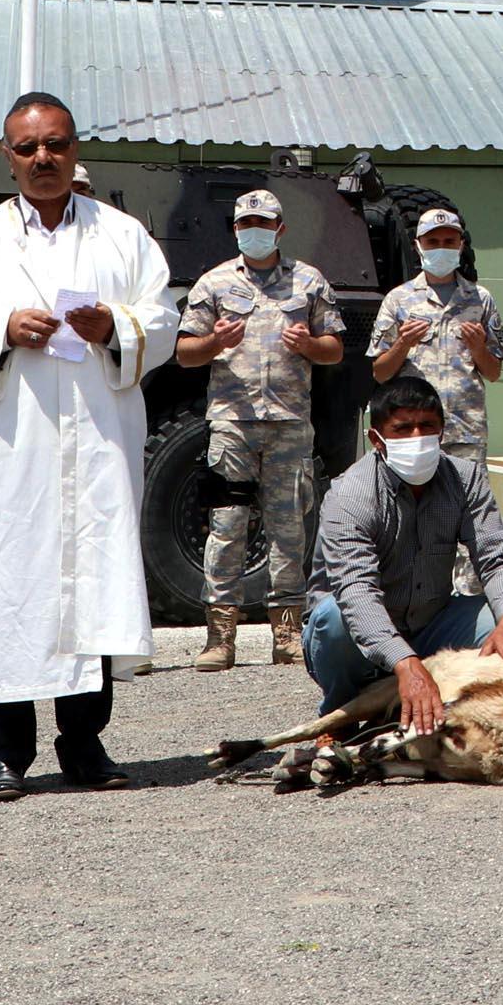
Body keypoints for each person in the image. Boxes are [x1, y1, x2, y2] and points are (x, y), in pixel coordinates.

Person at [0, 93, 177, 801]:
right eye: (28, 148)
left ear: (74, 150)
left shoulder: (122, 237)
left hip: (93, 446)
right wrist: (0, 328)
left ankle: (84, 744)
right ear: (8, 157)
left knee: (90, 582)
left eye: (55, 145)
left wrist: (113, 326)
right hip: (10, 455)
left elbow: (163, 319)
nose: (42, 159)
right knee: (11, 586)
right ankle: (5, 751)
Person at [176, 187, 345, 670]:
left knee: (288, 529)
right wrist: (214, 340)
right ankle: (220, 638)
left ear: (280, 229)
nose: (255, 232)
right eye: (246, 225)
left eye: (263, 224)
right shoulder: (213, 284)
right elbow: (185, 353)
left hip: (289, 424)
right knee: (226, 526)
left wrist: (311, 343)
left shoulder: (309, 282)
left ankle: (287, 634)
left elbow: (334, 348)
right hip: (232, 423)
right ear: (235, 230)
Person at [302, 376, 503, 720]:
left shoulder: (465, 478)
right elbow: (357, 592)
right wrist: (405, 662)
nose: (417, 438)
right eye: (403, 428)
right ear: (376, 439)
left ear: (442, 430)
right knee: (333, 620)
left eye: (427, 426)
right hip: (359, 634)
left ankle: (468, 707)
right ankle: (340, 713)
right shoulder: (350, 494)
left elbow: (497, 558)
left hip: (432, 623)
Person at [366, 207, 503, 496]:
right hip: (413, 433)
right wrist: (402, 344)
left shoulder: (480, 299)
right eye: (433, 242)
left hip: (465, 431)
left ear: (460, 245)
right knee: (411, 509)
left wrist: (478, 348)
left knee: (469, 512)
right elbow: (380, 373)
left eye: (448, 242)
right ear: (418, 246)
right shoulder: (398, 300)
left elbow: (493, 373)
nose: (441, 248)